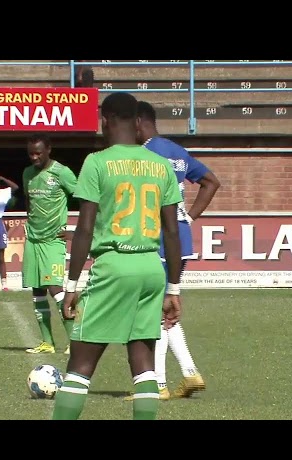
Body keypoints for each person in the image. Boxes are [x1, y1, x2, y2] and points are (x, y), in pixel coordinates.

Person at [52, 92, 183, 421]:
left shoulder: (97, 162)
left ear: (104, 120)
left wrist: (71, 284)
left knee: (80, 365)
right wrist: (174, 289)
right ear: (138, 122)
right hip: (151, 269)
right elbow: (172, 231)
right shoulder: (160, 165)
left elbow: (83, 229)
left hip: (113, 266)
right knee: (143, 363)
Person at [129, 100, 221, 400]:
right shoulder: (177, 152)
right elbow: (211, 182)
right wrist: (189, 217)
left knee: (152, 314)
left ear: (139, 122)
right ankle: (190, 373)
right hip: (180, 239)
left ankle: (157, 385)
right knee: (165, 312)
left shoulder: (143, 154)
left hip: (158, 238)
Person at [23, 134, 78, 355]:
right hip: (33, 241)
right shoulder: (27, 173)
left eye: (38, 153)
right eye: (31, 154)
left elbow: (87, 198)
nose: (34, 157)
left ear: (48, 151)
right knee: (37, 290)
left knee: (55, 289)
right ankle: (47, 342)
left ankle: (75, 341)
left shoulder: (62, 173)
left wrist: (77, 232)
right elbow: (29, 204)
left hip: (53, 241)